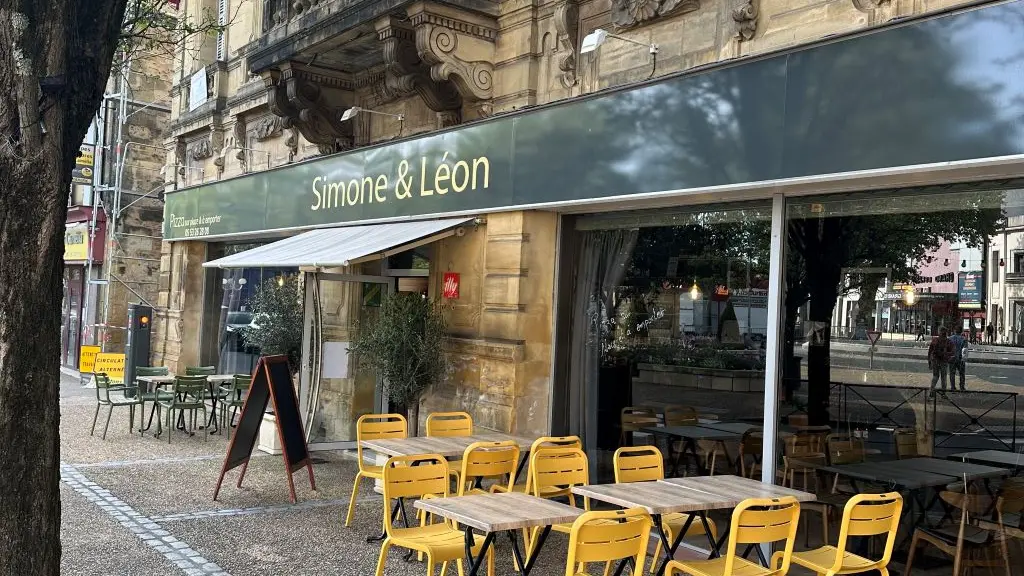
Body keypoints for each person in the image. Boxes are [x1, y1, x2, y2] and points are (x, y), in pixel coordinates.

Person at [928, 327, 955, 392]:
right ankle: (943, 393)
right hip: (944, 361)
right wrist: (947, 355)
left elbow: (930, 352)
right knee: (944, 377)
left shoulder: (935, 340)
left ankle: (931, 390)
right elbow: (953, 352)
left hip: (935, 360)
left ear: (939, 332)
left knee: (935, 376)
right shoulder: (949, 341)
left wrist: (929, 362)